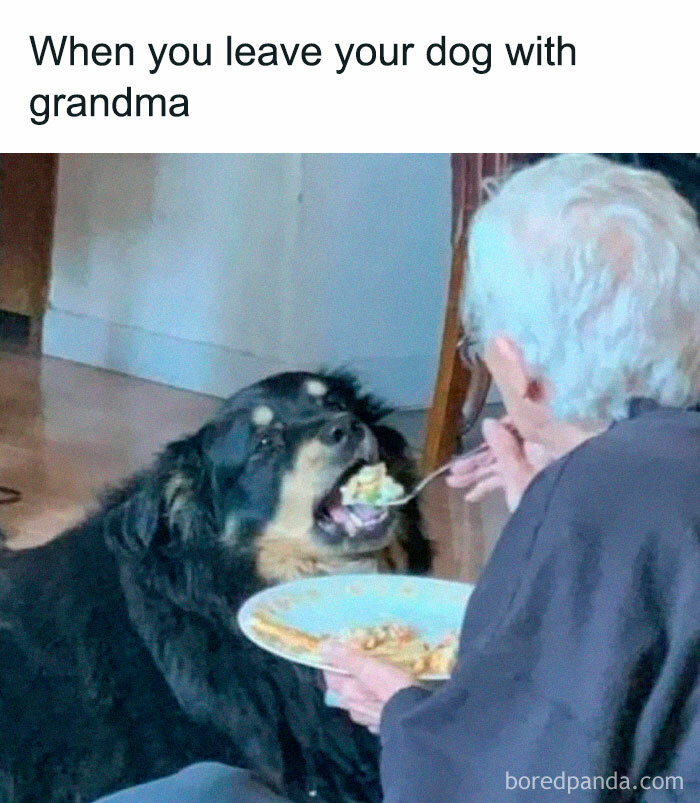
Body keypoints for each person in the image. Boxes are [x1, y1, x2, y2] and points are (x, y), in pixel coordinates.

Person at [98, 153, 700, 801]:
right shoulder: (638, 482)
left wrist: (401, 712)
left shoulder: (596, 505)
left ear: (514, 366)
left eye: (479, 350)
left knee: (201, 792)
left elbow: (524, 780)